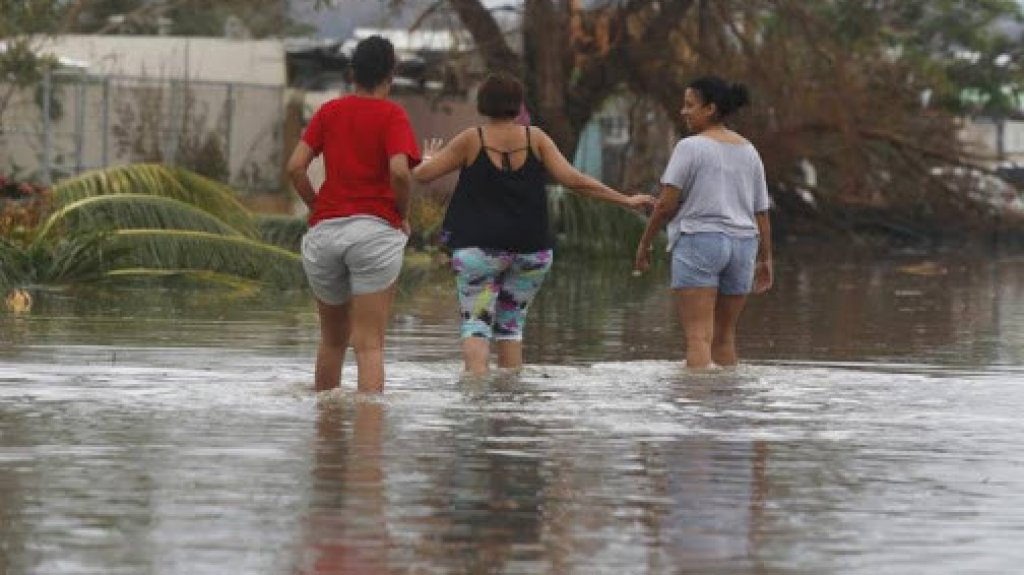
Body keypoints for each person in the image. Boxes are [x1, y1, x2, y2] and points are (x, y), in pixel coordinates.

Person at [413, 72, 655, 375]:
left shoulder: (471, 139)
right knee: (510, 327)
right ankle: (512, 402)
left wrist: (427, 158)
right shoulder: (536, 138)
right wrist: (626, 200)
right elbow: (574, 180)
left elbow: (422, 176)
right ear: (518, 105)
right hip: (531, 254)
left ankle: (475, 406)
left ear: (483, 103)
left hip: (480, 255)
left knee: (477, 325)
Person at [286, 36, 420, 393]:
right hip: (375, 232)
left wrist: (319, 208)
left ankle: (326, 433)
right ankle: (368, 443)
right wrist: (400, 212)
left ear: (351, 73)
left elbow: (295, 167)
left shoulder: (329, 111)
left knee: (332, 341)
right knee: (369, 344)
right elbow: (400, 172)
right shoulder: (393, 115)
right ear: (392, 73)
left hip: (325, 235)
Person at [634, 75, 773, 369]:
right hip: (744, 245)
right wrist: (766, 259)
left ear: (709, 109)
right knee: (725, 337)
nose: (683, 111)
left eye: (689, 105)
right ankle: (726, 408)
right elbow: (761, 212)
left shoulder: (690, 147)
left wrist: (645, 243)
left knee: (698, 338)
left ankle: (696, 410)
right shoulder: (749, 151)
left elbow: (665, 205)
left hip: (700, 240)